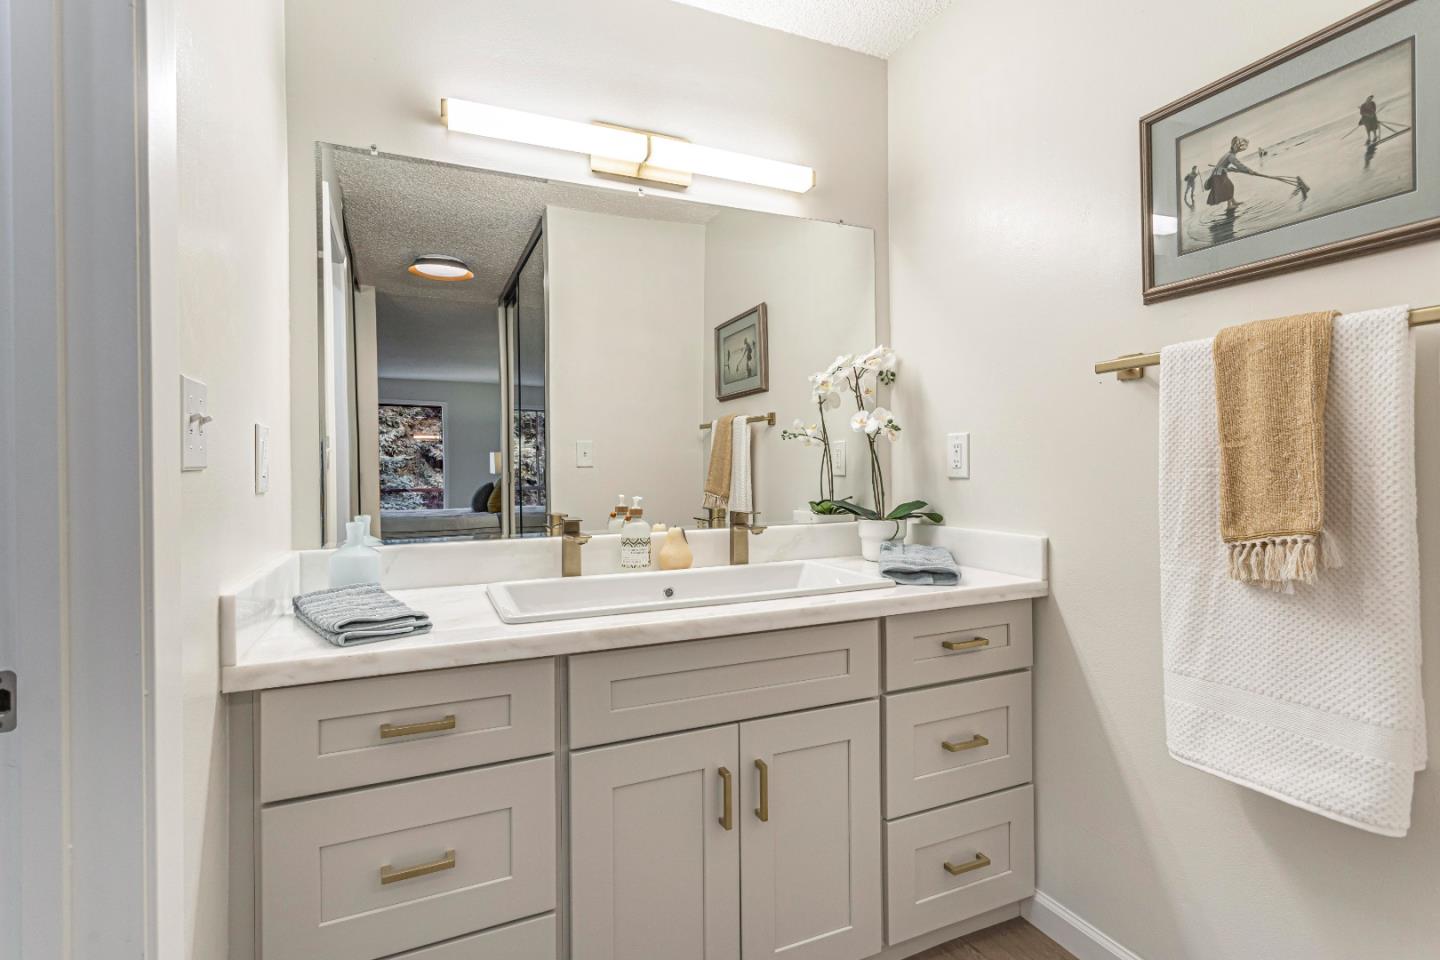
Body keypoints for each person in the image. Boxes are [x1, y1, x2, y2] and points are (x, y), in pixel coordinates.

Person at [1206, 136, 1258, 212]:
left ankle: (1233, 202)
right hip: (1218, 174)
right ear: (1233, 146)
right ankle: (1229, 206)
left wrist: (1231, 169)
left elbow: (1224, 165)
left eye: (1239, 148)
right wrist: (1248, 170)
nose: (1238, 149)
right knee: (1229, 187)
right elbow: (1238, 164)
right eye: (1237, 147)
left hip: (1220, 173)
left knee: (1230, 186)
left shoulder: (1228, 153)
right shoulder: (1231, 156)